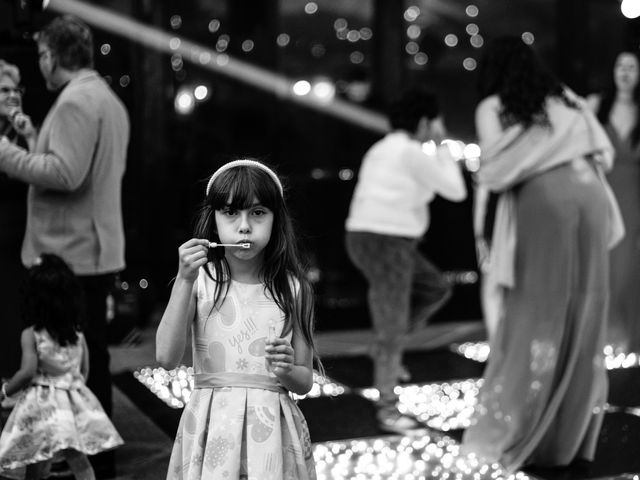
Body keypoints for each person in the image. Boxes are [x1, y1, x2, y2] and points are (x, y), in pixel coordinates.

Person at [460, 36, 623, 473]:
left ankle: (530, 429)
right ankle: (570, 438)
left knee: (534, 311)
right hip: (589, 196)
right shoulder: (565, 96)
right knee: (585, 311)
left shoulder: (492, 106)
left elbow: (494, 170)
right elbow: (601, 152)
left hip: (544, 201)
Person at [0, 16, 130, 478]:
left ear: (52, 56)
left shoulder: (76, 101)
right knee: (87, 362)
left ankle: (92, 460)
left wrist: (5, 152)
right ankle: (90, 458)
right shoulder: (104, 98)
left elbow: (65, 174)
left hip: (74, 251)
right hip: (93, 247)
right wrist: (33, 141)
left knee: (80, 369)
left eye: (41, 56)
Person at [156, 159, 318, 479]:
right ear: (214, 221)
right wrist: (184, 280)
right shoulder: (199, 281)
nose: (244, 226)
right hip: (211, 428)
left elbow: (304, 383)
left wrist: (287, 370)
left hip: (273, 437)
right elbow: (165, 358)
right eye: (230, 213)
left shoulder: (295, 289)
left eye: (258, 213)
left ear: (276, 219)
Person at [344, 87, 467, 433]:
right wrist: (443, 147)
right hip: (388, 242)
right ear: (426, 121)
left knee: (435, 289)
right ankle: (387, 409)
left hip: (367, 239)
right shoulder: (412, 152)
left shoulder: (380, 149)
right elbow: (456, 192)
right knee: (393, 322)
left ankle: (385, 344)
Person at [0, 254, 123, 480]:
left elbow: (27, 372)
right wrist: (72, 388)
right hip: (72, 405)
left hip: (42, 408)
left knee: (37, 463)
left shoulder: (32, 335)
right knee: (79, 460)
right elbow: (84, 371)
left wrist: (6, 390)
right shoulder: (77, 334)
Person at [587, 50, 640, 355]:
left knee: (628, 272)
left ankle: (627, 342)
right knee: (602, 269)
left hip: (633, 199)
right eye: (620, 65)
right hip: (602, 194)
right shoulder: (596, 105)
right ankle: (601, 342)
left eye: (632, 67)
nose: (625, 72)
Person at [0, 59, 36, 383]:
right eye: (4, 89)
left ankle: (13, 384)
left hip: (21, 241)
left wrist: (30, 135)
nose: (12, 95)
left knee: (15, 314)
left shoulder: (26, 132)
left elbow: (43, 175)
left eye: (16, 89)